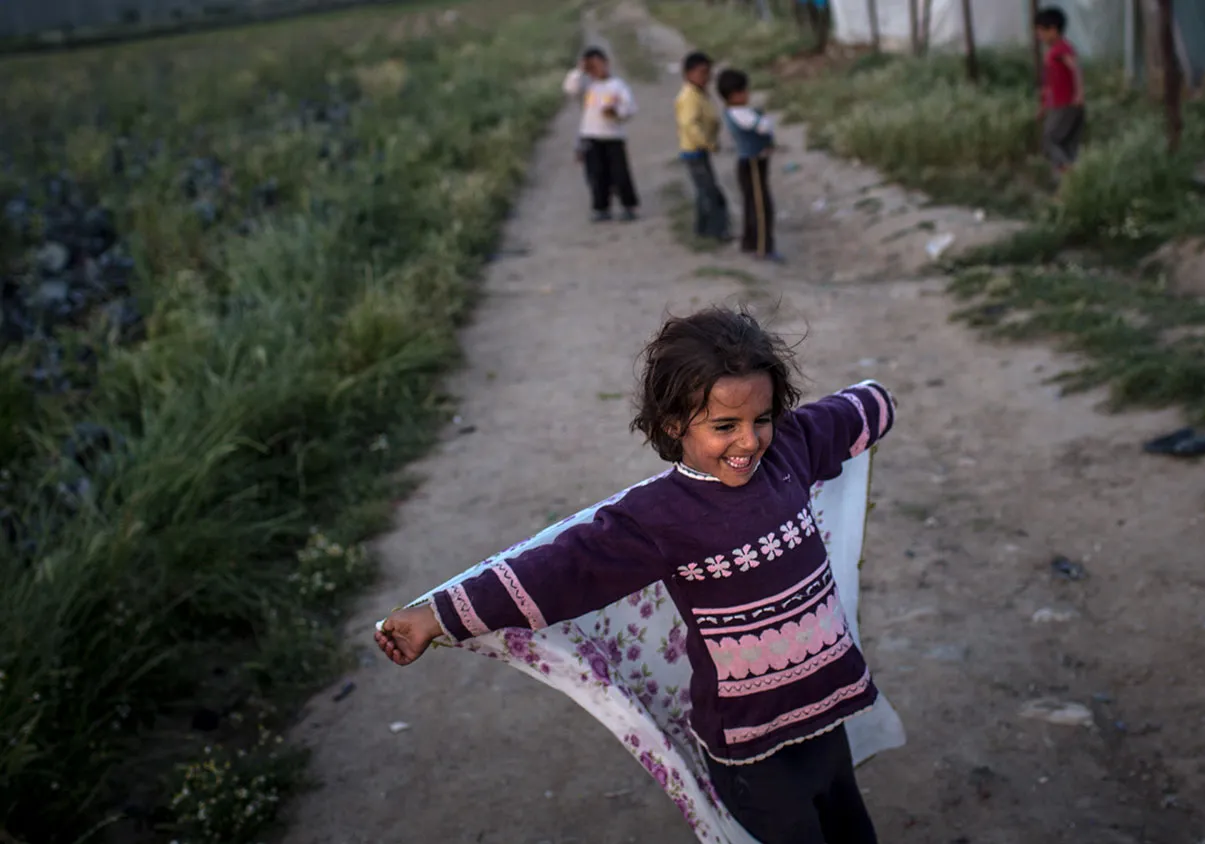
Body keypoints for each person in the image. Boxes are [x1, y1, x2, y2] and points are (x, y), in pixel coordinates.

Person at [376, 307, 897, 844]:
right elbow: (561, 570)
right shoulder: (656, 518)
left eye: (760, 419)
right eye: (724, 426)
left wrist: (882, 401)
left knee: (852, 829)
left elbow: (851, 413)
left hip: (824, 710)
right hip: (749, 745)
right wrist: (435, 616)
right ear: (674, 424)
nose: (748, 441)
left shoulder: (791, 448)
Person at [564, 47, 640, 222]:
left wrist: (617, 112)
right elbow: (569, 88)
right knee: (596, 175)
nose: (597, 69)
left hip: (613, 136)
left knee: (620, 174)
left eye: (600, 64)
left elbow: (630, 107)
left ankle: (628, 206)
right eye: (592, 66)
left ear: (607, 63)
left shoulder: (617, 85)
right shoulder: (586, 86)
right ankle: (601, 207)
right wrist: (579, 70)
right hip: (591, 136)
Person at [717, 68, 781, 262]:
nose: (747, 95)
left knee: (752, 204)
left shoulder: (738, 112)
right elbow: (763, 126)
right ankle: (763, 247)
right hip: (753, 163)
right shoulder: (740, 113)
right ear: (734, 94)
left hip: (751, 162)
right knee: (761, 207)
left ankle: (749, 242)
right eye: (744, 91)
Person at [675, 51, 731, 242]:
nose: (706, 77)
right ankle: (717, 230)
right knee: (710, 192)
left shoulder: (699, 94)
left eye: (708, 73)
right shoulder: (689, 97)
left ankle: (702, 229)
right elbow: (689, 125)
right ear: (688, 74)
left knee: (704, 191)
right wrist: (707, 143)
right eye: (702, 72)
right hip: (695, 150)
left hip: (700, 150)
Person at [1035, 6, 1085, 173]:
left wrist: (1079, 93)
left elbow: (1075, 68)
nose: (1039, 35)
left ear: (1053, 30)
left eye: (1041, 30)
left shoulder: (1061, 49)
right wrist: (1043, 106)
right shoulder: (1054, 52)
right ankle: (1069, 187)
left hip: (1065, 105)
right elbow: (1048, 83)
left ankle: (1068, 174)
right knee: (1066, 145)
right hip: (1061, 104)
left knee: (1049, 140)